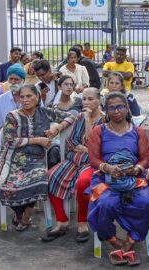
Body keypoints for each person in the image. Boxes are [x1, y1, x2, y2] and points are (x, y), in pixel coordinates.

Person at [0, 84, 75, 231]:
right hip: (11, 158)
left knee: (39, 179)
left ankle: (25, 217)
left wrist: (56, 128)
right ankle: (19, 214)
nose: (25, 100)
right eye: (22, 97)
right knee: (3, 182)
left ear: (37, 97)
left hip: (36, 158)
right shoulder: (12, 116)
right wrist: (38, 140)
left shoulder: (44, 112)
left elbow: (71, 116)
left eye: (29, 96)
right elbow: (9, 140)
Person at [87, 92, 149, 266]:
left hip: (133, 178)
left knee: (145, 202)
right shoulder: (98, 131)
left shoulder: (138, 132)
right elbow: (93, 159)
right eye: (112, 108)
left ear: (127, 108)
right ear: (106, 111)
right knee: (105, 204)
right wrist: (108, 167)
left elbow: (146, 158)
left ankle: (131, 242)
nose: (116, 111)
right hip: (105, 178)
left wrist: (135, 169)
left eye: (120, 106)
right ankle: (115, 242)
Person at [45, 87, 104, 242]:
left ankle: (82, 221)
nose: (87, 102)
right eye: (84, 99)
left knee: (83, 182)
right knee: (50, 176)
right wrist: (86, 148)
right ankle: (62, 220)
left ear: (99, 100)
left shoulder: (105, 120)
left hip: (92, 164)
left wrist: (87, 120)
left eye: (91, 99)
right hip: (73, 160)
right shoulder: (78, 117)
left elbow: (95, 148)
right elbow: (71, 142)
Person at [0, 64, 26, 147]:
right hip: (7, 141)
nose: (13, 82)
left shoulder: (32, 97)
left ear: (23, 81)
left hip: (29, 139)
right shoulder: (1, 100)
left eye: (16, 79)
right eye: (11, 79)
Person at [0, 47, 22, 120]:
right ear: (11, 54)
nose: (18, 56)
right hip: (4, 87)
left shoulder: (21, 67)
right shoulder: (3, 66)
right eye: (16, 53)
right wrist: (6, 84)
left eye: (19, 54)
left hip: (18, 88)